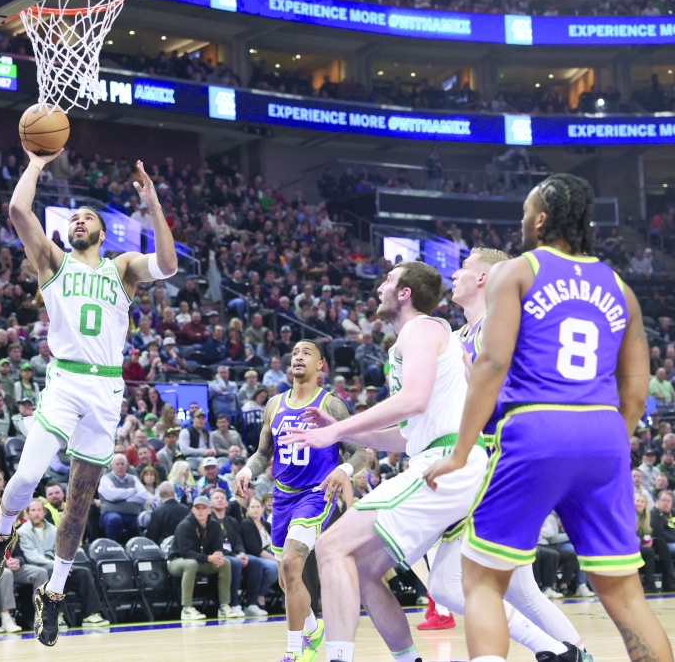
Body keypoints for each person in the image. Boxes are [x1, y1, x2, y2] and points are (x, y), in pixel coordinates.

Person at [425, 174, 672, 662]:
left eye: (524, 212)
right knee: (625, 595)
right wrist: (607, 442)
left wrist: (459, 452)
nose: (520, 221)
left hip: (537, 428)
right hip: (604, 435)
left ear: (541, 219)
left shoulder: (516, 271)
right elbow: (637, 392)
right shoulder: (622, 289)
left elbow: (492, 365)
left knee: (480, 581)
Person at [0, 150, 176, 648]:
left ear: (103, 233)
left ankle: (56, 592)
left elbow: (169, 266)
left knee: (81, 497)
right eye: (74, 218)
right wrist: (35, 163)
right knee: (26, 475)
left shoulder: (122, 268)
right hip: (65, 380)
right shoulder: (53, 261)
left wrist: (153, 207)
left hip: (107, 388)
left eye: (89, 217)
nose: (80, 221)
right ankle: (0, 534)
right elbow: (19, 213)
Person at [280, 262, 491, 662]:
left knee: (330, 547)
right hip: (442, 458)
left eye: (389, 281)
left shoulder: (420, 329)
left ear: (406, 293)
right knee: (363, 571)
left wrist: (334, 433)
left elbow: (413, 400)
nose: (380, 288)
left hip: (445, 462)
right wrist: (343, 429)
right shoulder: (420, 339)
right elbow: (406, 434)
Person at [426, 245, 596, 645]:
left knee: (447, 583)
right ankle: (576, 653)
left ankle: (555, 650)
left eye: (464, 267)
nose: (454, 274)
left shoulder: (503, 327)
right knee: (521, 590)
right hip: (482, 462)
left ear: (483, 277)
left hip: (500, 462)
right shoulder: (456, 337)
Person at [233, 339, 356, 662]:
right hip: (282, 497)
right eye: (295, 352)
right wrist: (247, 470)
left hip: (316, 495)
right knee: (288, 578)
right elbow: (263, 453)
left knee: (290, 563)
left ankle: (296, 651)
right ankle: (313, 627)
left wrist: (344, 469)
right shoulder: (274, 405)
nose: (298, 356)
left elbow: (361, 451)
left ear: (320, 366)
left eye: (307, 353)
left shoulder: (332, 405)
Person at [16, 498, 109, 628]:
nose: (36, 513)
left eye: (39, 510)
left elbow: (62, 552)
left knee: (83, 572)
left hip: (57, 567)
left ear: (44, 512)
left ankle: (91, 615)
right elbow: (32, 556)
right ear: (27, 513)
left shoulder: (54, 530)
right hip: (40, 569)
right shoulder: (22, 532)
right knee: (49, 573)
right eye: (33, 510)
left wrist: (63, 566)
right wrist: (57, 566)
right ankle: (56, 615)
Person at [168, 495, 236, 620]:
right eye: (197, 508)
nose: (200, 511)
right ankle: (187, 608)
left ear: (209, 510)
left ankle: (224, 606)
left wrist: (217, 554)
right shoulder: (184, 525)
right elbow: (185, 552)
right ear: (192, 510)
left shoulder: (214, 525)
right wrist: (209, 558)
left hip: (201, 560)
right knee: (191, 563)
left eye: (203, 508)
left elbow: (218, 546)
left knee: (225, 563)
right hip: (177, 561)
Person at [0, 498, 40, 633]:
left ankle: (41, 615)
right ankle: (6, 617)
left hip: (13, 567)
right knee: (5, 573)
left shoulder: (13, 530)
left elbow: (20, 554)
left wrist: (17, 561)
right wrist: (5, 563)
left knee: (40, 572)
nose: (0, 513)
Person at [98, 453, 149, 542]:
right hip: (110, 513)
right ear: (112, 466)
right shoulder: (105, 479)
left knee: (143, 520)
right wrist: (132, 491)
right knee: (114, 519)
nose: (120, 466)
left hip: (133, 515)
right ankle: (114, 546)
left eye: (122, 464)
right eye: (117, 464)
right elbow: (113, 495)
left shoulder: (133, 478)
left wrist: (123, 497)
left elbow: (143, 495)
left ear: (127, 465)